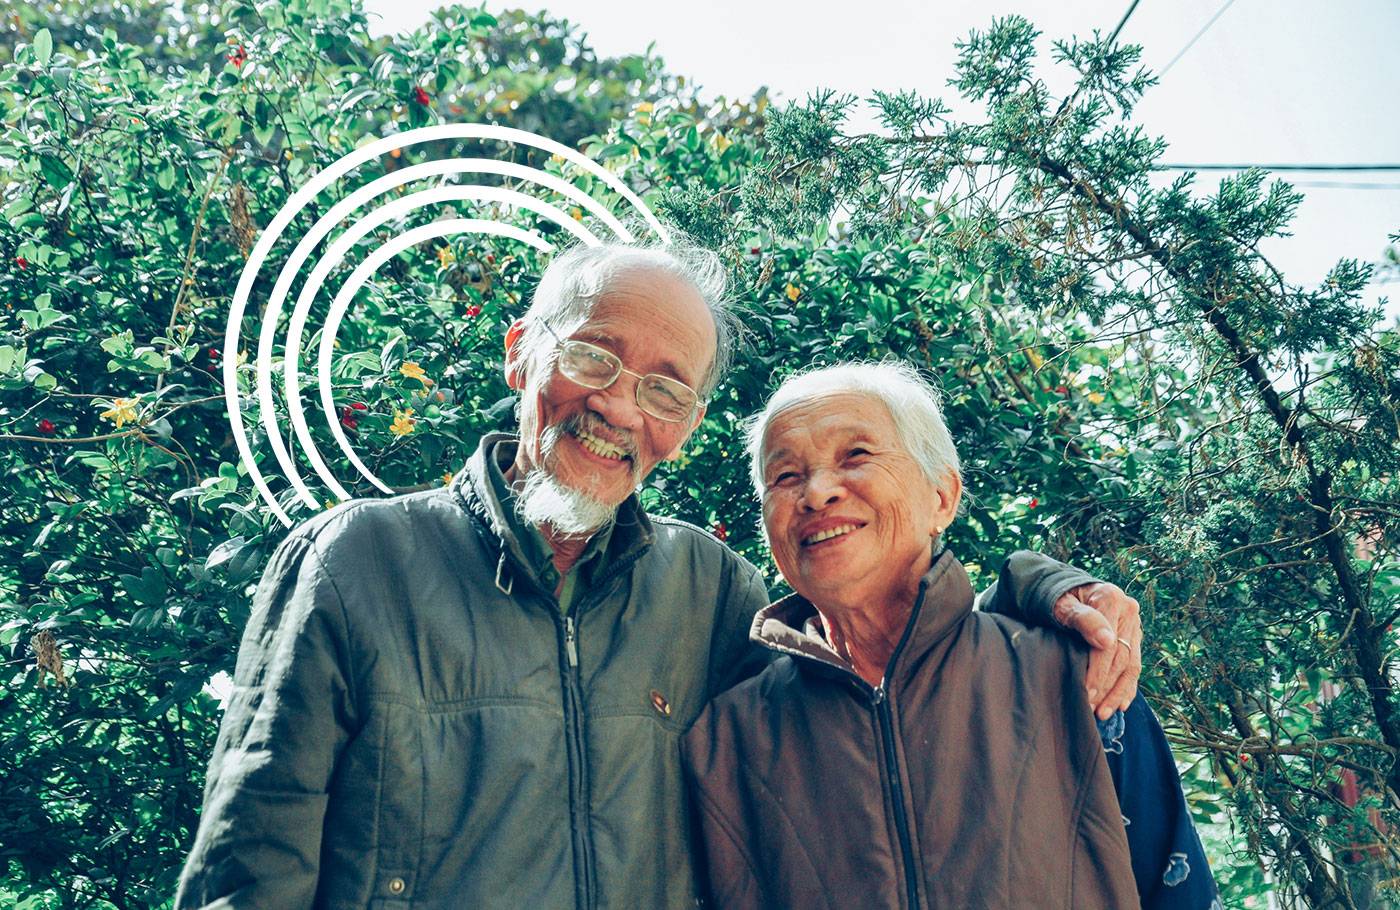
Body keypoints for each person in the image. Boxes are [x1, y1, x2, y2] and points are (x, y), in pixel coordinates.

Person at [176, 242, 1145, 909]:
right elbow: (247, 868)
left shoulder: (710, 589)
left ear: (684, 424)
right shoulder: (356, 563)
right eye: (592, 353)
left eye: (664, 387)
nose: (616, 405)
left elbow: (894, 673)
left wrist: (1033, 588)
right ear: (522, 354)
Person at [681, 361, 1218, 909]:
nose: (817, 493)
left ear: (941, 497)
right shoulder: (726, 739)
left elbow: (1180, 890)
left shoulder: (1073, 678)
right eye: (786, 476)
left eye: (856, 456)